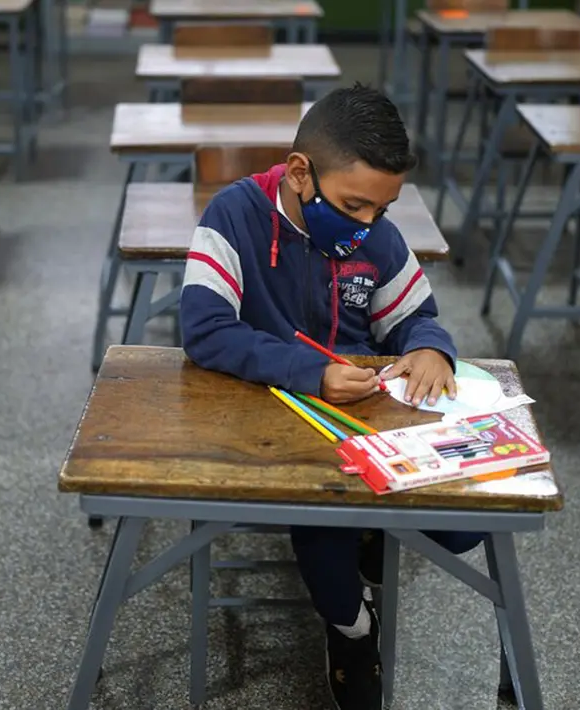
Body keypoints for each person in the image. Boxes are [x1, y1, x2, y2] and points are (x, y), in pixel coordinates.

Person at [179, 83, 485, 710]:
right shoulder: (231, 217)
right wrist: (307, 372)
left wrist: (430, 346)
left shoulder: (375, 234)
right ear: (299, 174)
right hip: (269, 412)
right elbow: (204, 330)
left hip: (363, 415)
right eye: (354, 205)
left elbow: (416, 316)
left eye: (383, 207)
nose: (368, 224)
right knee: (324, 523)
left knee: (459, 531)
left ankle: (366, 547)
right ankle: (352, 630)